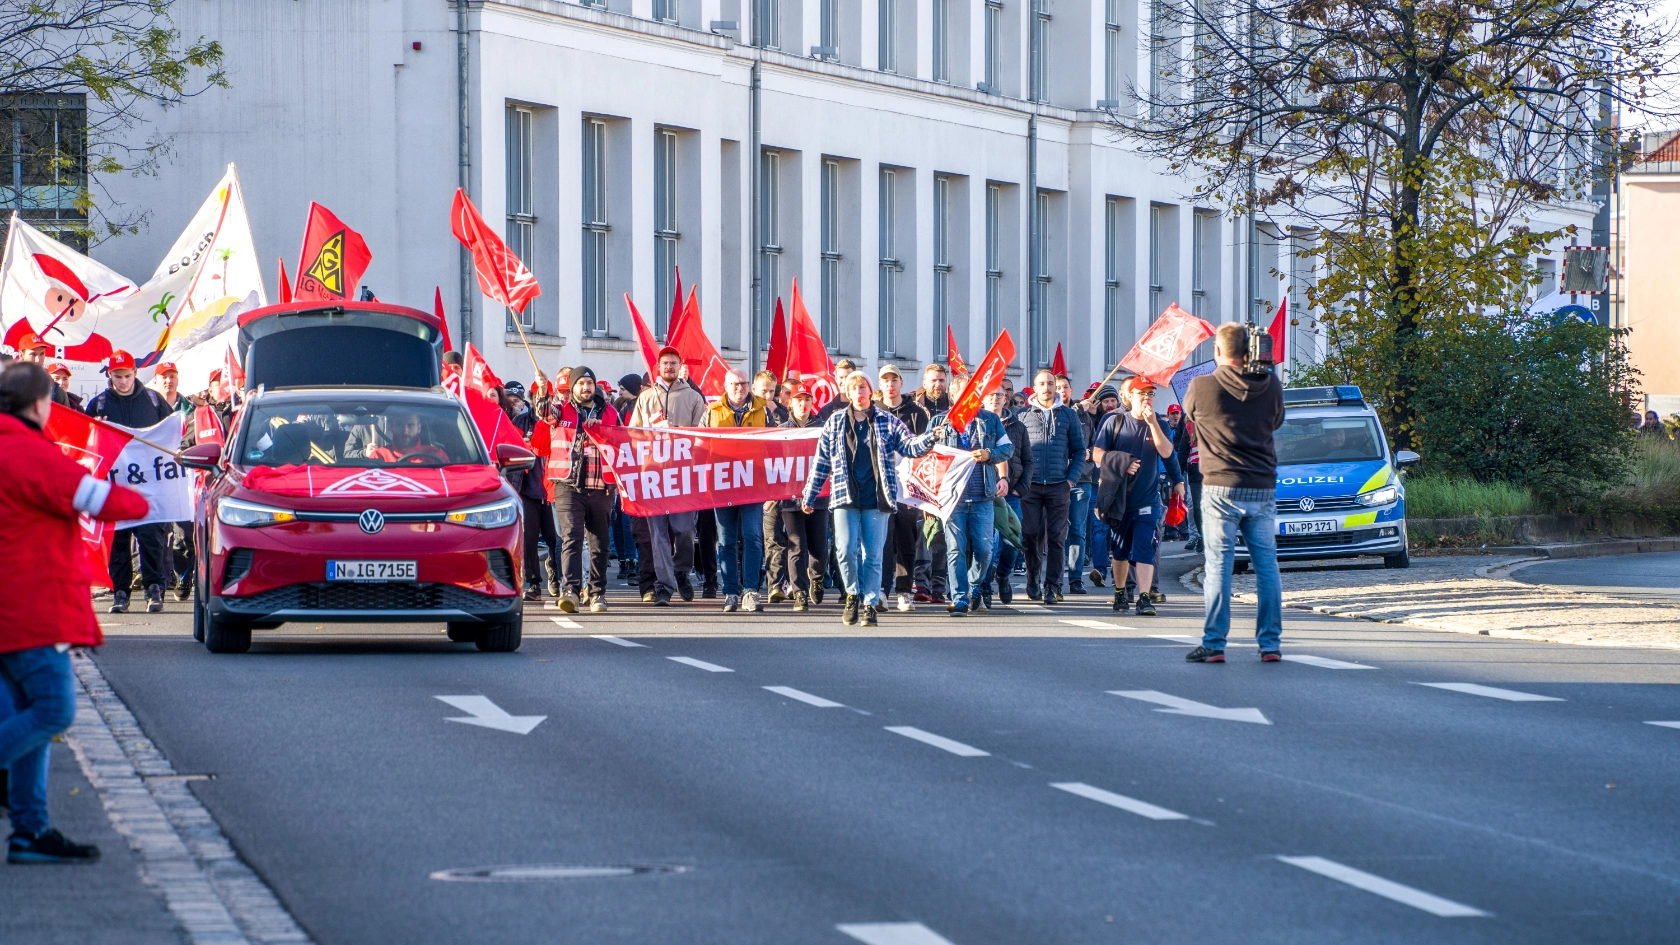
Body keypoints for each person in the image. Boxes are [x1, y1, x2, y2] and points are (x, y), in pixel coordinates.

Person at [0, 361, 148, 863]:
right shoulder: (25, 450)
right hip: (28, 605)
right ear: (40, 404)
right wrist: (141, 498)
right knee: (53, 711)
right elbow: (103, 500)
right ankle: (29, 828)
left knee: (26, 724)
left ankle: (29, 831)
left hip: (15, 604)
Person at [1182, 323, 1286, 663]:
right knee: (1266, 567)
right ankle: (1270, 644)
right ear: (1251, 352)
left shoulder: (1202, 385)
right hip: (1262, 486)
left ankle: (1214, 643)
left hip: (1220, 487)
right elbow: (1277, 422)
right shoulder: (1271, 386)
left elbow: (1189, 415)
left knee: (1219, 567)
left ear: (1217, 352)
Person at [801, 372, 938, 627]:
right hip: (845, 496)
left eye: (863, 387)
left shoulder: (886, 420)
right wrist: (810, 494)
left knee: (873, 555)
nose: (859, 392)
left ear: (870, 391)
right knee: (844, 550)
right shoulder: (835, 422)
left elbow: (910, 447)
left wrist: (932, 436)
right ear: (849, 393)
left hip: (877, 498)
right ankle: (853, 594)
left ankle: (870, 603)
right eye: (854, 388)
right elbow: (821, 462)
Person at [84, 350, 174, 614]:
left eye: (127, 376)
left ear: (135, 374)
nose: (123, 381)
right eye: (117, 376)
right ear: (109, 376)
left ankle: (154, 588)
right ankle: (120, 592)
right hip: (114, 483)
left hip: (149, 484)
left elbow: (171, 432)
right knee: (117, 539)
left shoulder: (153, 400)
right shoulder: (98, 404)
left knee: (151, 537)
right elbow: (87, 443)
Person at [1092, 377, 1184, 616]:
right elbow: (1097, 454)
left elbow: (1167, 453)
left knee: (1145, 547)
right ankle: (1121, 591)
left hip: (1148, 498)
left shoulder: (1160, 424)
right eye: (1141, 393)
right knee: (1121, 550)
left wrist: (1178, 481)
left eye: (1151, 394)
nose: (1146, 398)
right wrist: (1123, 463)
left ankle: (1144, 597)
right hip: (1119, 499)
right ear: (1129, 397)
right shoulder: (1114, 422)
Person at [629, 346, 709, 605]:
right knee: (658, 534)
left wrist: (677, 432)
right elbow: (632, 434)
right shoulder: (646, 398)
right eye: (665, 363)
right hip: (653, 474)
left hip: (682, 474)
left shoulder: (694, 398)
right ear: (658, 368)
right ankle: (664, 584)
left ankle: (682, 570)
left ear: (680, 365)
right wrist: (652, 433)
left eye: (674, 363)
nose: (669, 367)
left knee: (684, 530)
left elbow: (702, 435)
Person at [926, 378, 1013, 616]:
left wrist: (989, 454)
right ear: (953, 397)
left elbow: (1008, 449)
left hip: (983, 495)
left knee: (984, 550)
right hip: (952, 499)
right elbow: (926, 456)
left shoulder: (990, 420)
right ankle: (960, 598)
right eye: (962, 393)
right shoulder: (939, 422)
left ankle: (975, 586)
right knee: (955, 550)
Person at [546, 367, 618, 613]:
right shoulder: (561, 408)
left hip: (601, 487)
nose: (586, 387)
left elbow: (622, 444)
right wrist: (541, 390)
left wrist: (602, 432)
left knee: (599, 543)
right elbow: (544, 412)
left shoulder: (610, 412)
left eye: (590, 383)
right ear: (572, 387)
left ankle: (597, 593)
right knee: (572, 539)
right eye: (581, 383)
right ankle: (571, 591)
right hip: (568, 485)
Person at [1016, 368, 1085, 602]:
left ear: (1057, 387)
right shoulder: (1022, 415)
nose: (1046, 388)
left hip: (1059, 485)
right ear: (1034, 388)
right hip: (1031, 485)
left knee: (1057, 537)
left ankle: (1053, 585)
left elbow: (1079, 451)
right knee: (1030, 534)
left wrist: (1071, 479)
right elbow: (1016, 451)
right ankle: (1033, 577)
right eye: (1042, 384)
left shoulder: (1068, 415)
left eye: (1050, 383)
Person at [706, 370, 770, 613]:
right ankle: (731, 592)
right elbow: (697, 444)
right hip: (722, 486)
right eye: (735, 384)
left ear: (749, 386)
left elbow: (777, 444)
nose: (740, 388)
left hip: (754, 484)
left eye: (744, 383)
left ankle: (750, 591)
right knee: (726, 540)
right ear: (725, 385)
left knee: (753, 536)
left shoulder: (764, 411)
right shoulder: (711, 412)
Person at [873, 363, 933, 612]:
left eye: (894, 379)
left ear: (901, 383)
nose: (890, 384)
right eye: (885, 380)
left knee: (907, 539)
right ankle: (881, 590)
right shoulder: (873, 411)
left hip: (909, 488)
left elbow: (926, 451)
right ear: (880, 384)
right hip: (882, 486)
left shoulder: (917, 412)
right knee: (883, 540)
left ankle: (905, 591)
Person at [498, 381, 560, 602]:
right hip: (528, 488)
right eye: (541, 397)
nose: (545, 401)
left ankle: (556, 573)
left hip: (554, 489)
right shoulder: (520, 422)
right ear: (533, 399)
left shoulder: (560, 423)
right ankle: (534, 584)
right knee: (529, 538)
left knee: (556, 538)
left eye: (549, 397)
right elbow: (509, 452)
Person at [778, 387, 828, 611]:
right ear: (790, 403)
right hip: (790, 498)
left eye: (807, 400)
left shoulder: (822, 429)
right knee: (796, 544)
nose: (803, 405)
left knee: (818, 545)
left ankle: (816, 577)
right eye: (799, 400)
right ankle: (799, 592)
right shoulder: (780, 431)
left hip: (818, 496)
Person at [983, 387, 1033, 605]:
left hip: (1009, 492)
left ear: (1006, 399)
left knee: (1012, 538)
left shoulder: (1017, 427)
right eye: (991, 395)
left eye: (999, 395)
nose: (995, 399)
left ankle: (1003, 575)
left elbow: (1027, 460)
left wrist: (1018, 488)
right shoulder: (977, 422)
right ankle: (983, 586)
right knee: (984, 542)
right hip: (981, 491)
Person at [1060, 373, 1098, 595]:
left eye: (1065, 387)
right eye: (1058, 387)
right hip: (1055, 478)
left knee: (1078, 528)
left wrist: (1089, 453)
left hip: (1081, 477)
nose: (1062, 391)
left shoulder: (1085, 417)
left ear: (1071, 391)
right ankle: (1052, 578)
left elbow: (1094, 445)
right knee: (1055, 530)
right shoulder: (1055, 414)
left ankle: (1075, 578)